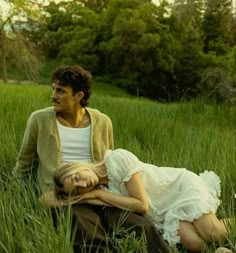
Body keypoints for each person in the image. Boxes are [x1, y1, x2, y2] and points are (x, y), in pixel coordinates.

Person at [13, 65, 171, 253]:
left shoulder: (103, 121)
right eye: (53, 89)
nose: (53, 95)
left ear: (79, 96)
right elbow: (24, 164)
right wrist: (16, 196)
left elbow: (110, 160)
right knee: (85, 229)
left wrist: (107, 195)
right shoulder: (39, 120)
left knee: (140, 225)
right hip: (66, 193)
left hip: (102, 189)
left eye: (61, 91)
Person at [51, 148, 233, 253]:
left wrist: (98, 196)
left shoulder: (117, 159)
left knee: (212, 233)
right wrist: (74, 199)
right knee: (194, 244)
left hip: (177, 188)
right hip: (165, 210)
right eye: (77, 189)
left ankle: (220, 228)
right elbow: (45, 200)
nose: (83, 184)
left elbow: (141, 206)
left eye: (77, 178)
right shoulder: (99, 188)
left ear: (77, 166)